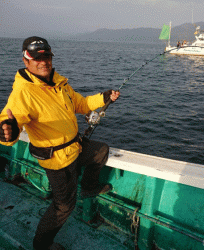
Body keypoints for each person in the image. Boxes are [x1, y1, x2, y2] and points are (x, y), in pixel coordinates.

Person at [0, 36, 120, 250]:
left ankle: (89, 187)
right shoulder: (23, 92)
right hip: (57, 160)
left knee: (101, 151)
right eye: (37, 58)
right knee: (64, 206)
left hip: (75, 147)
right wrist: (6, 132)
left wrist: (104, 97)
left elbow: (81, 104)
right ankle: (41, 245)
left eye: (47, 56)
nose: (43, 61)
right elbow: (11, 118)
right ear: (26, 61)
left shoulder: (59, 84)